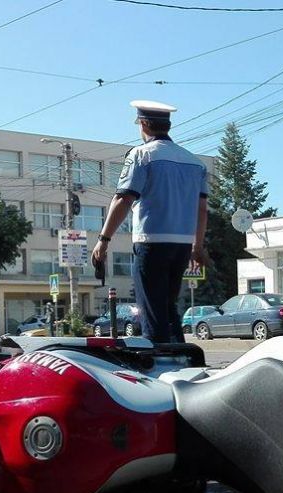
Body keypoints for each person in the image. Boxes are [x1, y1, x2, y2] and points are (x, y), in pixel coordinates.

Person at [92, 100, 209, 343]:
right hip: (182, 246)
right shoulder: (195, 162)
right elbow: (201, 209)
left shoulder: (141, 155)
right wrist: (197, 246)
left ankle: (159, 358)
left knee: (152, 310)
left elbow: (123, 199)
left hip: (151, 243)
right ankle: (180, 357)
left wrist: (103, 240)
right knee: (167, 307)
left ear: (144, 123)